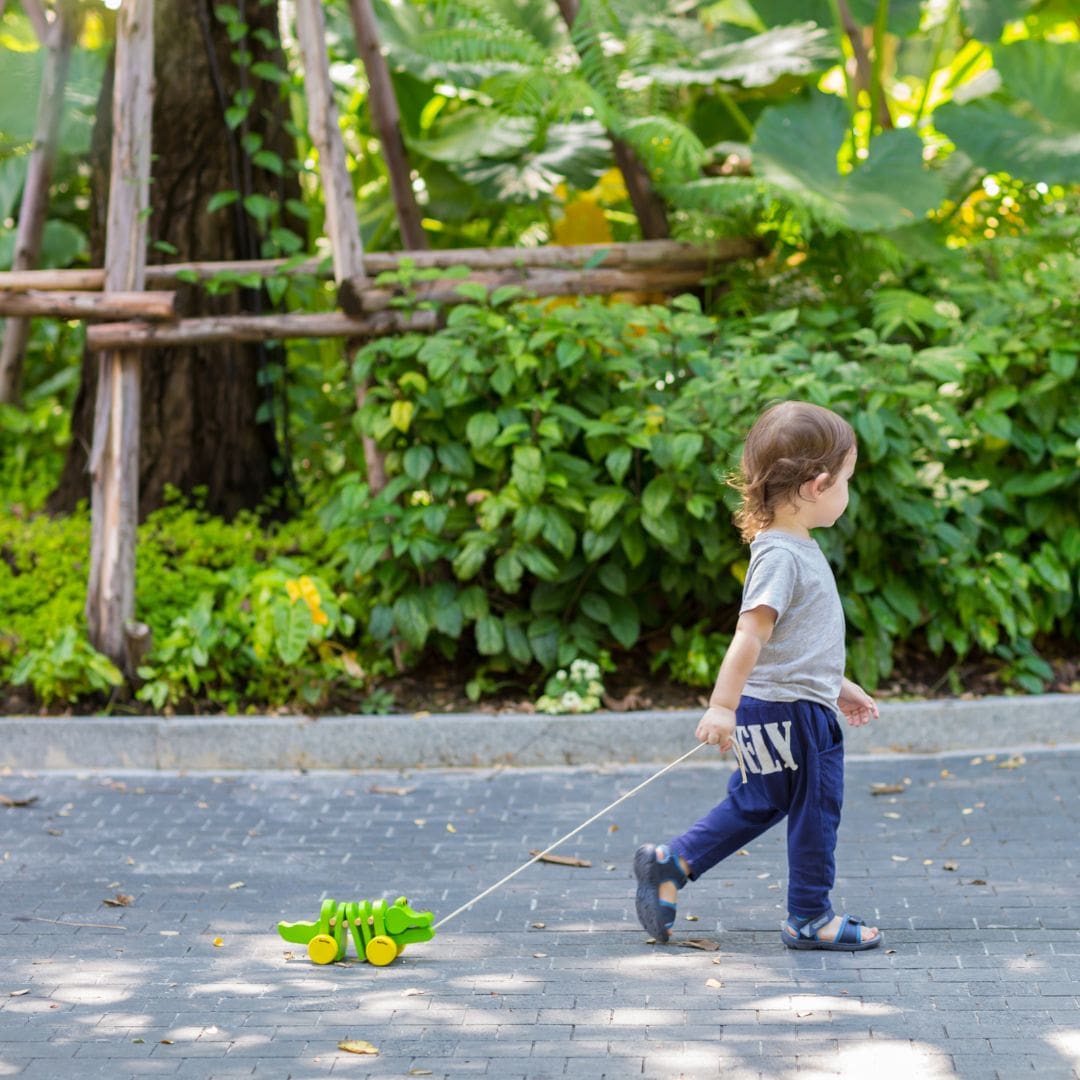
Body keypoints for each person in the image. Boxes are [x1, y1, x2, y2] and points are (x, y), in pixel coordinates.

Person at [634, 400, 882, 951]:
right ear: (818, 485)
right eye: (847, 480)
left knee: (760, 801)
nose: (848, 492)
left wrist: (837, 686)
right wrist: (721, 707)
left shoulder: (789, 548)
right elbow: (750, 636)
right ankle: (810, 917)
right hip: (793, 718)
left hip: (782, 706)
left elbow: (794, 646)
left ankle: (672, 864)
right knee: (816, 811)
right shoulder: (783, 557)